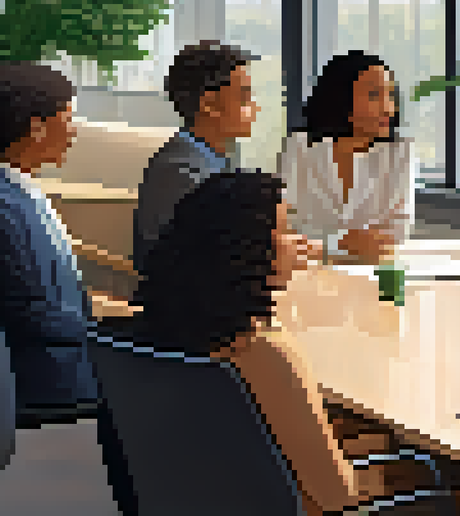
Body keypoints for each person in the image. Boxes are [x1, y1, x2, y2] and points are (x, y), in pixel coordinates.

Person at [104, 170, 439, 516]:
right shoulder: (263, 351)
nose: (298, 241)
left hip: (183, 501)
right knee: (437, 478)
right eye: (286, 229)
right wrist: (398, 475)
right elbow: (337, 495)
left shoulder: (146, 333)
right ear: (252, 248)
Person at [0, 62, 138, 514]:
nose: (75, 130)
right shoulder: (7, 207)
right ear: (37, 127)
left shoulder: (24, 193)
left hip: (69, 357)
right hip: (54, 380)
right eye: (68, 116)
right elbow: (29, 313)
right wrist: (111, 331)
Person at [279, 51, 414, 262]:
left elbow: (394, 235)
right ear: (341, 97)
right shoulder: (301, 146)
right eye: (374, 95)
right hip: (306, 270)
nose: (389, 108)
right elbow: (286, 227)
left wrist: (324, 244)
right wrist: (342, 243)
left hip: (375, 273)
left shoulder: (400, 151)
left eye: (391, 95)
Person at [134, 40, 260, 263]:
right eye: (244, 99)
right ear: (209, 105)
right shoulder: (180, 173)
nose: (255, 108)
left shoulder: (219, 159)